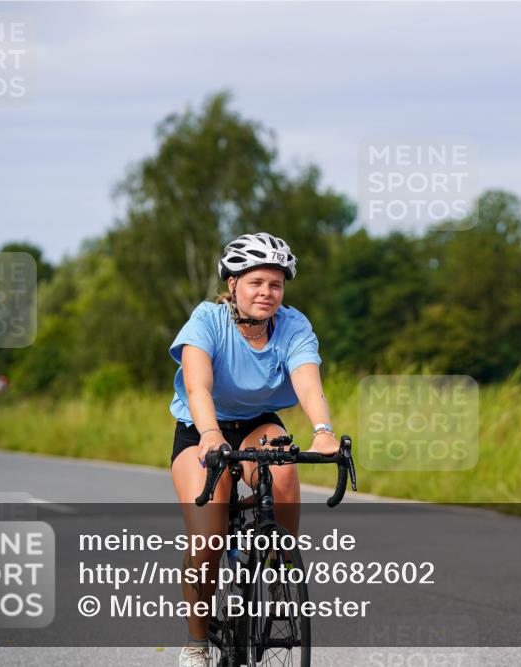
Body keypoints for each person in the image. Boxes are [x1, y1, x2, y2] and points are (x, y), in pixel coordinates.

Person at [168, 232, 340, 667]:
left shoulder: (293, 325)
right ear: (233, 285)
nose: (267, 292)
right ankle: (197, 642)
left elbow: (307, 379)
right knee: (207, 539)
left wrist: (323, 430)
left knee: (282, 465)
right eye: (256, 282)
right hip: (200, 427)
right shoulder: (207, 320)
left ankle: (279, 566)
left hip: (258, 423)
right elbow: (198, 386)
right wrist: (209, 434)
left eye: (276, 284)